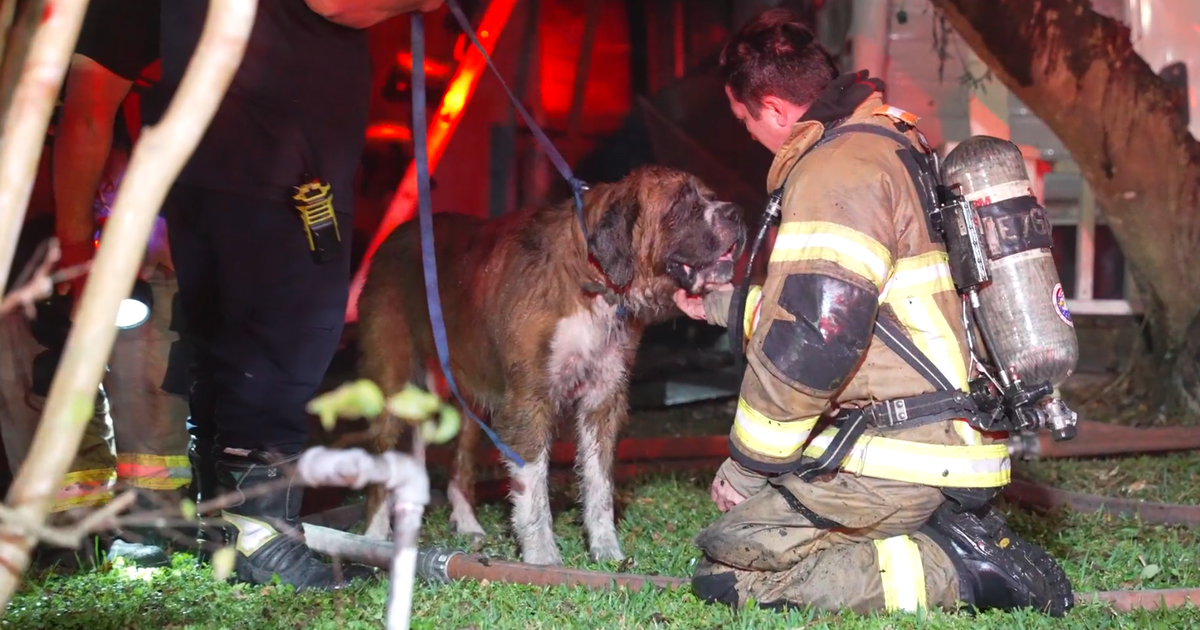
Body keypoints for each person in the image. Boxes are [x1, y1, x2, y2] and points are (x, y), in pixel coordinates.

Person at [672, 9, 1074, 618]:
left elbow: (813, 343)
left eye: (744, 120)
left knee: (732, 572)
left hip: (906, 457)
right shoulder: (890, 146)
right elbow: (863, 316)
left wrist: (747, 470)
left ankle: (958, 570)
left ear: (774, 108)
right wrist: (717, 305)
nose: (749, 136)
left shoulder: (837, 172)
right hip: (948, 439)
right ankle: (943, 533)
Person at [140, 0, 445, 591]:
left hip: (204, 156)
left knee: (220, 340)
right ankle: (260, 535)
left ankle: (221, 526)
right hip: (276, 165)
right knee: (282, 338)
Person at [34, 0, 191, 569]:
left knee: (146, 369)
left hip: (132, 223)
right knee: (39, 374)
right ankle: (67, 530)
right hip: (31, 228)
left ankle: (151, 520)